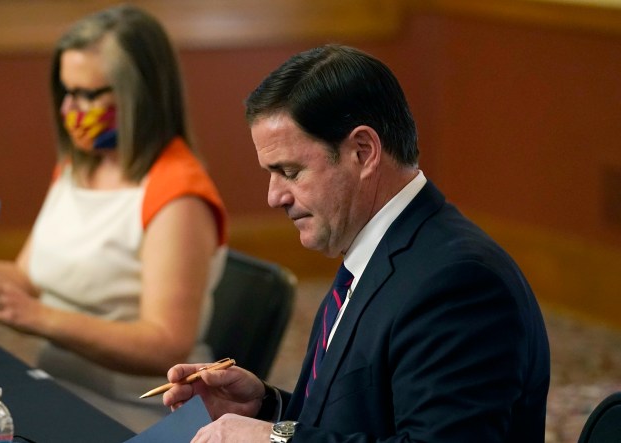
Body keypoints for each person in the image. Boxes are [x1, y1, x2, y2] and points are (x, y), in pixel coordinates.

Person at [162, 44, 550, 442]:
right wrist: (267, 410)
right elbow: (369, 417)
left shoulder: (459, 284)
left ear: (363, 153)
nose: (274, 196)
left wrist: (276, 441)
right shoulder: (380, 246)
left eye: (290, 172)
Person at [0, 5, 228, 432]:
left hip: (132, 408)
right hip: (56, 384)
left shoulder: (178, 193)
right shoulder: (79, 167)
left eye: (88, 94)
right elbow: (29, 277)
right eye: (66, 91)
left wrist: (37, 317)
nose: (70, 108)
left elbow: (165, 346)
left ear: (140, 95)